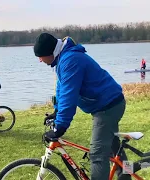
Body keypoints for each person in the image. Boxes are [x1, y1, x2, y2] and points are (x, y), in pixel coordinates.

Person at [33, 33, 131, 180]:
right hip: (106, 103)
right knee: (113, 148)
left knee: (97, 154)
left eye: (41, 56)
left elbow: (69, 94)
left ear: (50, 52)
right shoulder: (63, 58)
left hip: (107, 106)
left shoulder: (70, 60)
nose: (40, 60)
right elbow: (62, 87)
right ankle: (127, 174)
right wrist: (57, 110)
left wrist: (60, 126)